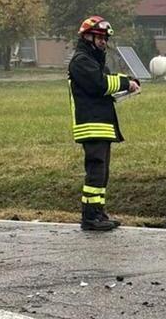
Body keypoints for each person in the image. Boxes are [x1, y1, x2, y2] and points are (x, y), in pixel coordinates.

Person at [68, 15, 139, 232]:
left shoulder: (94, 60)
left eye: (105, 38)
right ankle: (90, 217)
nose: (103, 42)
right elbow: (100, 84)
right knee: (96, 172)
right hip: (91, 125)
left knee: (102, 172)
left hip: (101, 123)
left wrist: (128, 83)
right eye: (99, 37)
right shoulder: (81, 61)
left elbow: (107, 80)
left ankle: (98, 213)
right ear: (87, 36)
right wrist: (127, 82)